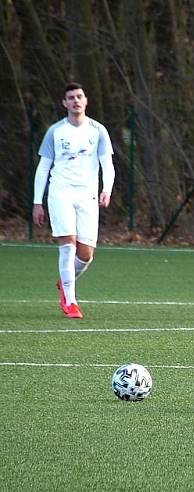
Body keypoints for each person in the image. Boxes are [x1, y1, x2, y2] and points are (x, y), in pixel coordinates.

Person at [32, 83, 114, 320]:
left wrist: (106, 190)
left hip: (87, 195)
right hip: (61, 192)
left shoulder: (98, 131)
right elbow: (43, 167)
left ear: (86, 101)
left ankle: (64, 281)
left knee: (86, 254)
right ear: (64, 103)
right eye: (71, 98)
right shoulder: (55, 132)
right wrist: (38, 201)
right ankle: (70, 301)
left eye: (79, 96)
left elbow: (107, 164)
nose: (75, 101)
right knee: (67, 244)